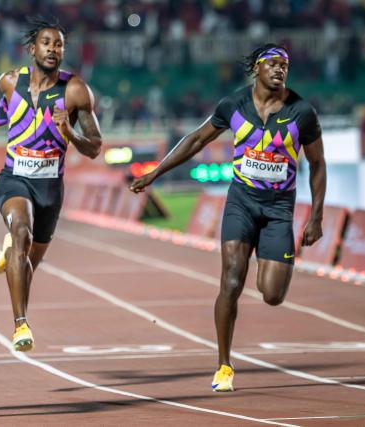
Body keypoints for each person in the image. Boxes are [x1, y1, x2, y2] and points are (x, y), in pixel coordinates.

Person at [130, 44, 326, 392]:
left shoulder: (302, 112)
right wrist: (156, 172)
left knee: (272, 295)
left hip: (280, 209)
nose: (280, 70)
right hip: (241, 201)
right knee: (232, 282)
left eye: (285, 65)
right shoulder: (233, 105)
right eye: (273, 64)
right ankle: (224, 365)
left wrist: (316, 217)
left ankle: (267, 263)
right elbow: (195, 140)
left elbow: (318, 164)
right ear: (257, 70)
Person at [0, 17, 102, 352]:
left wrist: (72, 134)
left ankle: (10, 254)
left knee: (28, 262)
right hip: (13, 179)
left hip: (50, 188)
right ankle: (21, 325)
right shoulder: (10, 82)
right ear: (32, 48)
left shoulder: (75, 90)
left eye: (59, 44)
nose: (53, 49)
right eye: (47, 42)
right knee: (21, 232)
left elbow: (95, 146)